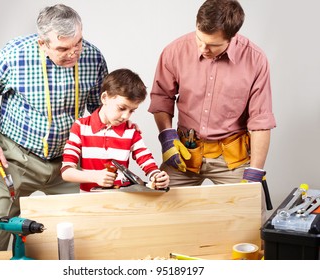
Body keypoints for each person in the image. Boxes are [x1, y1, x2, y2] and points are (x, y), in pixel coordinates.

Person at [0, 4, 108, 260]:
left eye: (78, 43)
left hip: (68, 163)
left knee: (84, 237)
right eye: (63, 48)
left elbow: (99, 112)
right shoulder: (14, 54)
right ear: (42, 43)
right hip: (15, 159)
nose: (74, 53)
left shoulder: (93, 57)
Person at [148, 0, 276, 189]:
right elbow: (161, 98)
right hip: (185, 154)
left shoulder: (255, 60)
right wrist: (167, 138)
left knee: (250, 214)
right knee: (159, 207)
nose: (202, 49)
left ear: (231, 37)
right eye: (199, 39)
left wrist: (255, 172)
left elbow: (260, 120)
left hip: (232, 159)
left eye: (212, 45)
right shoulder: (174, 51)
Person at [61, 68, 170, 192]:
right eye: (122, 108)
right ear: (104, 98)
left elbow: (148, 163)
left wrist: (157, 177)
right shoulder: (80, 127)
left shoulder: (131, 131)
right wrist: (94, 176)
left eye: (132, 111)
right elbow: (66, 172)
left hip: (120, 202)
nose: (126, 116)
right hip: (88, 203)